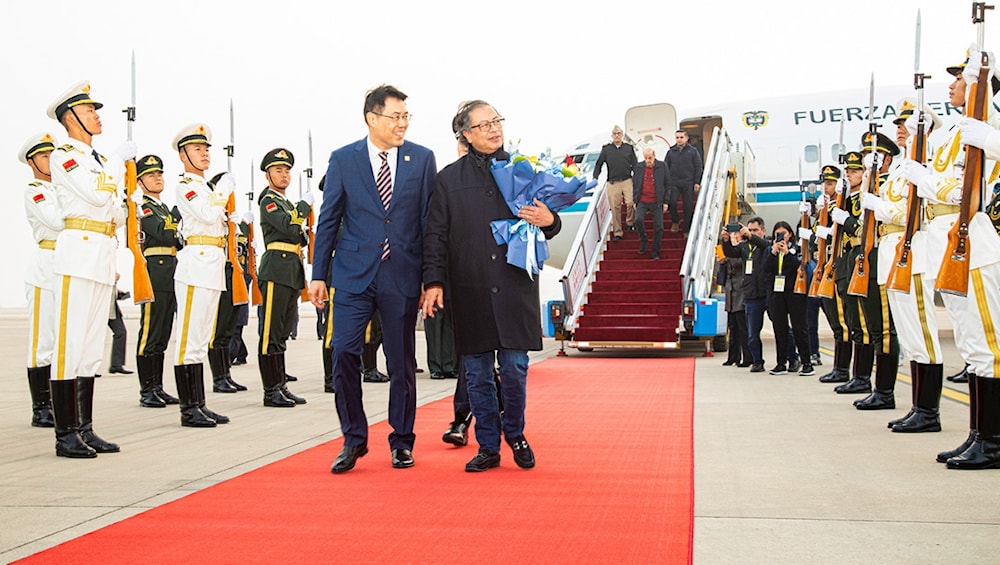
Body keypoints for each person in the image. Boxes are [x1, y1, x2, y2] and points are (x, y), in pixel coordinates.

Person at [422, 99, 561, 472]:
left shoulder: (523, 171)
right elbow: (435, 235)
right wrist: (433, 281)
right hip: (470, 288)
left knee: (515, 367)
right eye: (483, 125)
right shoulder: (448, 180)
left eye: (497, 121)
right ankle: (487, 445)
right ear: (465, 134)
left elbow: (549, 220)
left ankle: (515, 433)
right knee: (478, 372)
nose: (493, 129)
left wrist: (550, 220)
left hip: (514, 285)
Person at [308, 85, 437, 473]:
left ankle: (401, 440)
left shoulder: (422, 159)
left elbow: (429, 224)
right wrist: (318, 275)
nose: (402, 124)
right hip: (351, 276)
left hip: (401, 274)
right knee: (344, 353)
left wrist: (430, 279)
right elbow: (328, 219)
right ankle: (353, 438)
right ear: (372, 118)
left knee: (401, 363)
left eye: (405, 117)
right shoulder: (343, 159)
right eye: (394, 116)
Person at [904, 48, 1000, 469]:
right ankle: (979, 433)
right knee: (971, 341)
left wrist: (991, 137)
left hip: (975, 239)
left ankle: (994, 440)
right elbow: (945, 180)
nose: (952, 84)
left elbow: (960, 187)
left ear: (978, 83)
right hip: (948, 239)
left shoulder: (988, 122)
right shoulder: (958, 129)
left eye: (959, 78)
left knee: (989, 343)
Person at [46, 81, 127, 457]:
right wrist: (115, 169)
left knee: (92, 348)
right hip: (77, 255)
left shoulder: (94, 161)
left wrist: (113, 179)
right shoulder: (65, 156)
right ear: (71, 117)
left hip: (100, 254)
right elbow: (98, 196)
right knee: (70, 346)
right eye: (89, 110)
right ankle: (65, 434)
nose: (97, 116)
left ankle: (85, 428)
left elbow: (118, 213)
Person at [861, 100, 946, 432]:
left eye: (906, 123)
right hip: (893, 251)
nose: (898, 127)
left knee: (922, 331)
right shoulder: (900, 169)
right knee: (910, 335)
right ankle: (919, 407)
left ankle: (929, 411)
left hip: (912, 252)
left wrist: (877, 206)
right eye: (897, 123)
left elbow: (909, 213)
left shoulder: (921, 166)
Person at [169, 123, 231, 428]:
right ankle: (188, 408)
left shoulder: (205, 188)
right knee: (188, 340)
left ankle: (199, 404)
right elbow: (207, 215)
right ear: (183, 155)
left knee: (202, 338)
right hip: (196, 266)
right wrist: (224, 190)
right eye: (197, 149)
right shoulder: (187, 185)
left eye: (206, 149)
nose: (204, 154)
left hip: (212, 265)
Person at [840, 131, 901, 411]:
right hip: (864, 258)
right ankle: (877, 387)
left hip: (881, 256)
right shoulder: (870, 190)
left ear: (884, 159)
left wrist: (849, 222)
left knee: (883, 328)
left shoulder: (888, 187)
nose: (865, 164)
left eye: (868, 158)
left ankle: (885, 391)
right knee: (872, 326)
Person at [256, 147, 311, 407]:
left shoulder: (286, 204)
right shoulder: (269, 200)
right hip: (276, 268)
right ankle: (270, 390)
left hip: (291, 270)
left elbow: (299, 236)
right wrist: (302, 208)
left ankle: (280, 385)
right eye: (278, 170)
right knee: (270, 332)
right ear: (268, 175)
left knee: (282, 331)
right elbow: (290, 228)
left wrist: (297, 218)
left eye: (287, 170)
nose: (284, 174)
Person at [133, 154, 182, 408]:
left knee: (163, 331)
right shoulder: (145, 206)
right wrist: (177, 213)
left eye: (160, 173)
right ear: (140, 181)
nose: (158, 178)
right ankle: (147, 389)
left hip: (170, 269)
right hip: (154, 270)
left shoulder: (160, 208)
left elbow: (177, 241)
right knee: (150, 332)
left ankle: (158, 387)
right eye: (151, 175)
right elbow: (163, 233)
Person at [20, 131, 60, 428]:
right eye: (45, 156)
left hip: (69, 265)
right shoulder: (36, 191)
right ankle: (41, 407)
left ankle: (59, 402)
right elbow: (56, 221)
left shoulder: (61, 190)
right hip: (46, 267)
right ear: (32, 162)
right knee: (42, 342)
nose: (50, 161)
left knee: (61, 340)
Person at [205, 172, 248, 395]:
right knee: (218, 329)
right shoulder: (212, 214)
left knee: (228, 329)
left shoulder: (229, 217)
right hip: (216, 272)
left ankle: (226, 375)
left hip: (232, 274)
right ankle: (218, 378)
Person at [814, 165, 853, 384]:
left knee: (842, 322)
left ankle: (843, 369)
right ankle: (839, 367)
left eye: (830, 183)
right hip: (827, 265)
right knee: (834, 321)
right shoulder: (825, 208)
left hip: (838, 265)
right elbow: (814, 239)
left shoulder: (842, 204)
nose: (825, 188)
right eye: (824, 184)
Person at [763, 221, 814, 376]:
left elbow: (800, 266)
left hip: (795, 291)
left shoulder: (797, 249)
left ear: (790, 234)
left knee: (800, 327)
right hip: (777, 293)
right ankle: (781, 363)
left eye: (784, 233)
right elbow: (765, 268)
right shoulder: (770, 250)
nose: (781, 236)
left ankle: (806, 363)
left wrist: (787, 253)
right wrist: (773, 252)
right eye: (778, 233)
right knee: (780, 328)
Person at [722, 216, 770, 373]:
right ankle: (757, 361)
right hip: (750, 294)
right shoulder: (744, 247)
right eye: (749, 230)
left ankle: (790, 358)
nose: (751, 233)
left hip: (766, 292)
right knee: (751, 332)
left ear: (763, 231)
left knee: (782, 328)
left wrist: (751, 237)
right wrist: (726, 240)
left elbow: (765, 246)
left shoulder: (767, 245)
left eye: (755, 230)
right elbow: (731, 252)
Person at [592, 125, 636, 240]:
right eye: (615, 134)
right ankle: (618, 232)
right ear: (612, 136)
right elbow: (599, 164)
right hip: (613, 182)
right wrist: (595, 178)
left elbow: (635, 164)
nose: (617, 136)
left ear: (622, 135)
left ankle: (630, 222)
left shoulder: (628, 148)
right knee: (615, 207)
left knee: (630, 202)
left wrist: (637, 178)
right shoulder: (606, 149)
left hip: (627, 180)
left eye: (619, 134)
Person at [720, 227, 752, 367]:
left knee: (742, 326)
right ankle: (733, 356)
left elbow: (741, 261)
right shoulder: (730, 249)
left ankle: (747, 356)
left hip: (741, 289)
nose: (734, 236)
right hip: (731, 289)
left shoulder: (744, 247)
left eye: (736, 233)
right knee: (732, 325)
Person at [631, 147, 669, 260]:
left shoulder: (662, 166)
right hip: (642, 200)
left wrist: (666, 201)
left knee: (659, 227)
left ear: (654, 156)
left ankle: (655, 250)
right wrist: (635, 199)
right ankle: (644, 240)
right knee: (638, 220)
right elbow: (635, 183)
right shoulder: (639, 167)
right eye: (646, 158)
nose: (648, 160)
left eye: (650, 158)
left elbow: (668, 184)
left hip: (657, 201)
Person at [666, 130, 704, 234]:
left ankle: (686, 229)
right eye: (677, 137)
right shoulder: (670, 152)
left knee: (687, 206)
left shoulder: (693, 151)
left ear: (686, 138)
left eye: (681, 137)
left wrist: (697, 182)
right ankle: (675, 220)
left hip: (688, 182)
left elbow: (698, 166)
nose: (679, 139)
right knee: (672, 203)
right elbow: (666, 167)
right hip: (674, 182)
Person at [107, 285, 132, 374]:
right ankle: (88, 370)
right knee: (94, 337)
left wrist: (117, 292)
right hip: (100, 308)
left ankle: (116, 365)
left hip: (111, 308)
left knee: (121, 333)